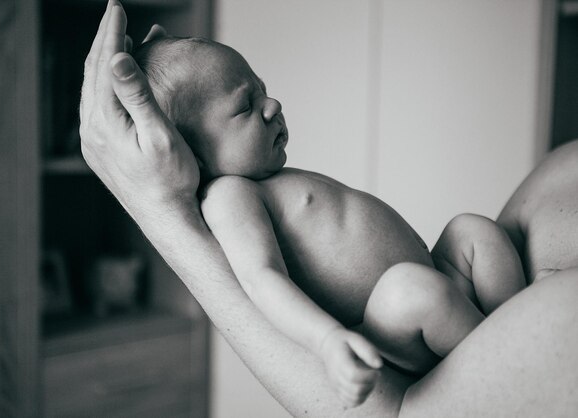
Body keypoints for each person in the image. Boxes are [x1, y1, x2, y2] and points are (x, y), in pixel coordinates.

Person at [80, 2, 578, 416]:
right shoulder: (231, 198)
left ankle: (507, 339)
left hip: (435, 271)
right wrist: (326, 341)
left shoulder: (268, 180)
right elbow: (262, 281)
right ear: (190, 150)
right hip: (390, 326)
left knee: (472, 230)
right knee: (410, 289)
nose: (272, 105)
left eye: (262, 88)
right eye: (245, 106)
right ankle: (493, 364)